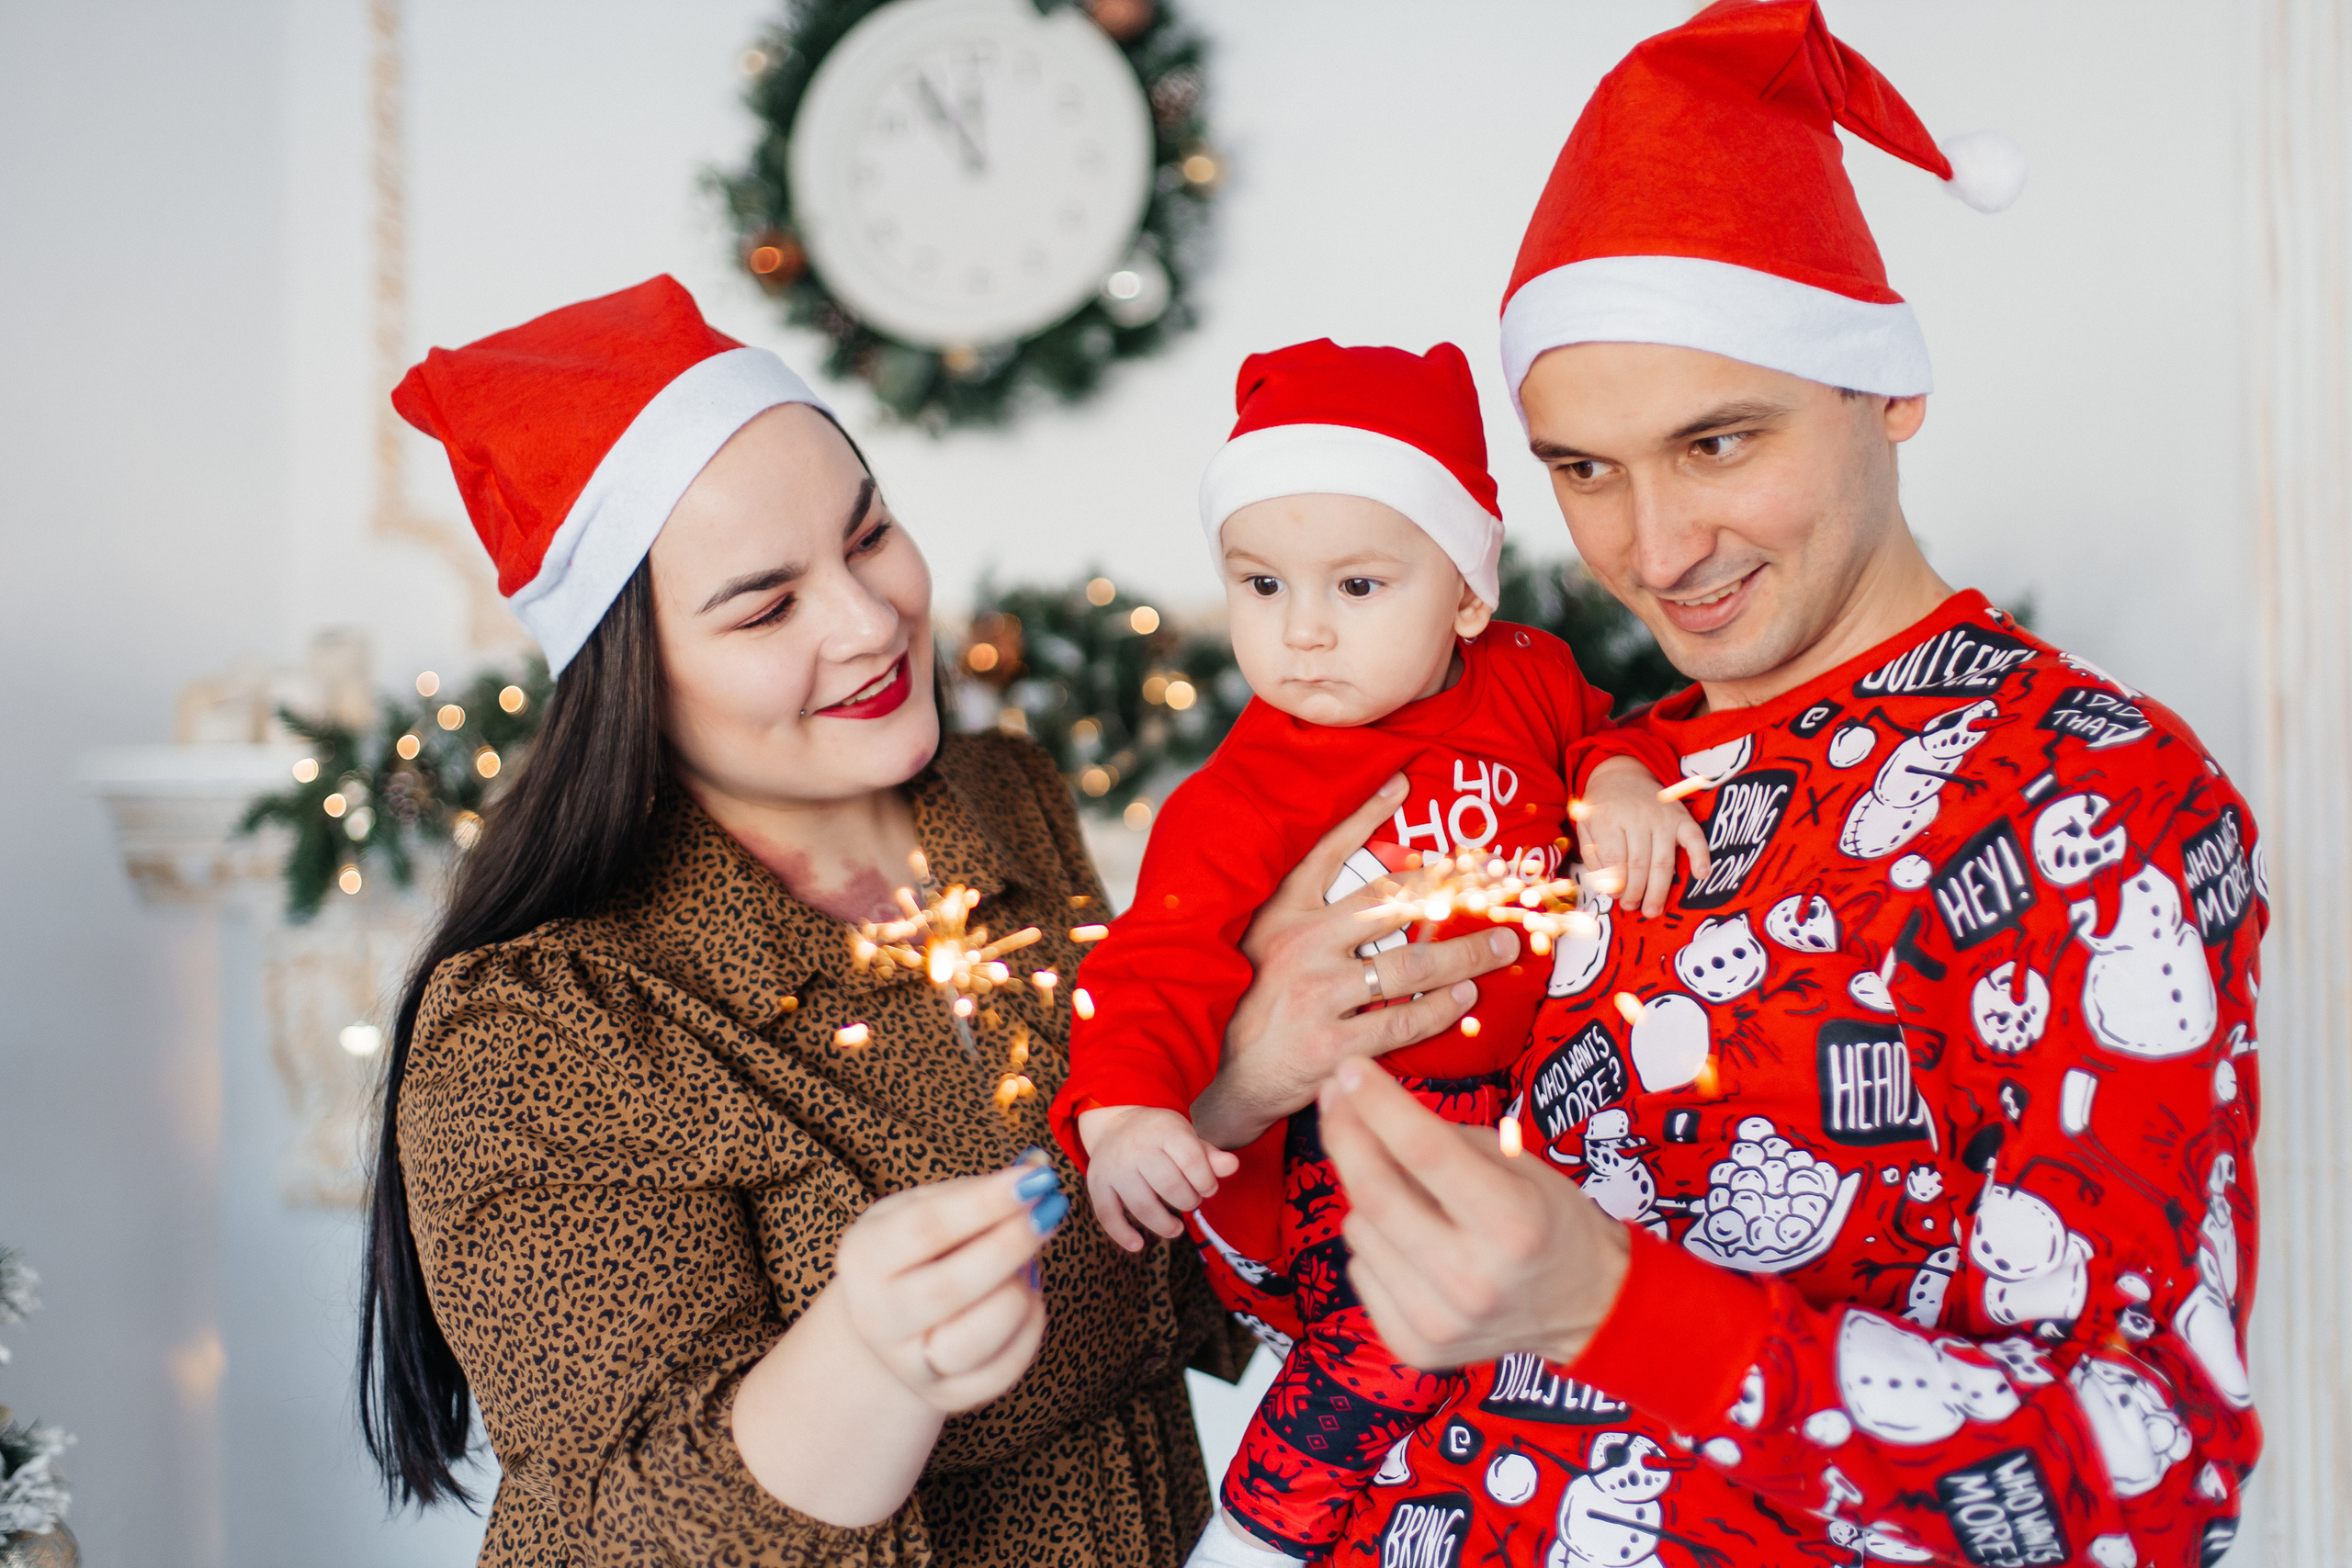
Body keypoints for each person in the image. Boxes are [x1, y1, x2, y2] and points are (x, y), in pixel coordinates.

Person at [1200, 6, 2263, 1566]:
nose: (1651, 547)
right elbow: (1313, 1316)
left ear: (1886, 388)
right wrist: (1243, 1089)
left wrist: (1612, 1306)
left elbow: (2153, 1481)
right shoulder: (1550, 776)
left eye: (1717, 442)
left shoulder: (2091, 797)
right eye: (1582, 470)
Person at [356, 275, 1253, 1565]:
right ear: (632, 677)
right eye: (767, 605)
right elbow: (624, 1541)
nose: (871, 618)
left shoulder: (1005, 804)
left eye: (870, 532)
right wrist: (868, 1363)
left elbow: (1146, 1268)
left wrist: (1246, 1073)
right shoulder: (547, 1026)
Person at [1041, 341, 1701, 1562]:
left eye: (1355, 589)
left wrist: (1614, 777)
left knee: (1539, 1343)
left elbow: (1602, 735)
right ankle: (1259, 1529)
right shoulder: (1243, 795)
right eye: (1259, 585)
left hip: (1533, 1108)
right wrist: (1129, 1112)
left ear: (1464, 593)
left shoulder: (1527, 677)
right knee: (1398, 1332)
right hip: (1360, 1120)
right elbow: (1155, 964)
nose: (1301, 636)